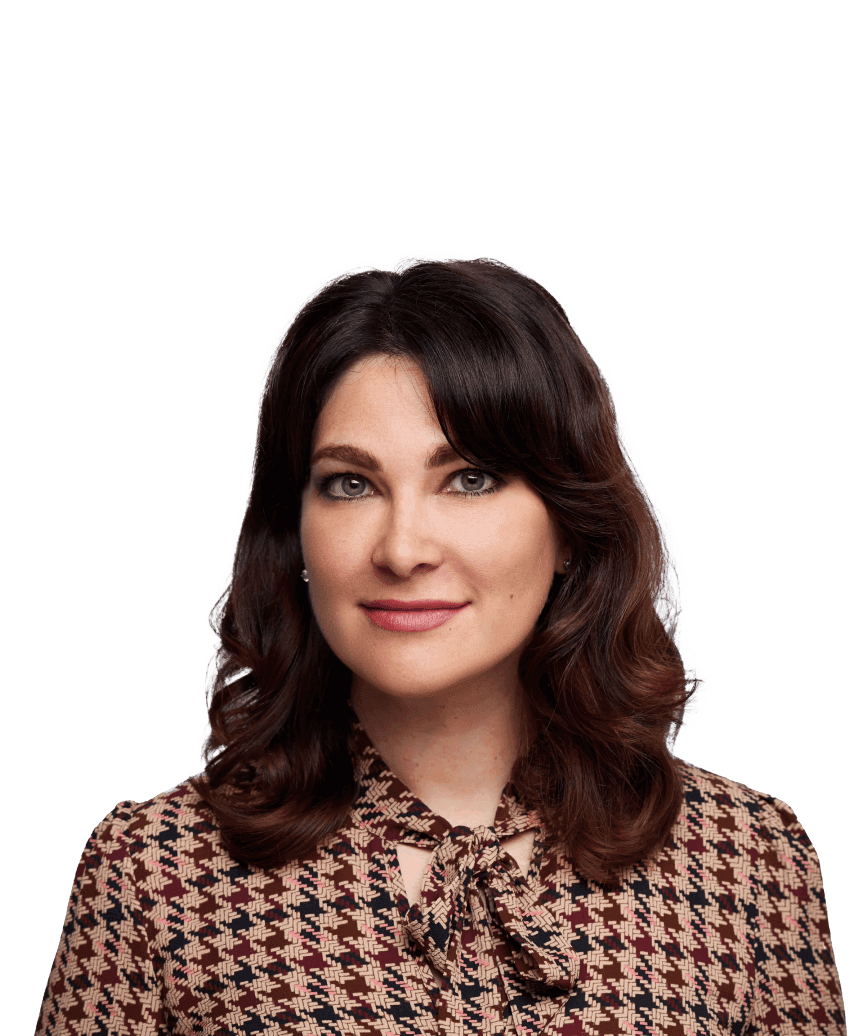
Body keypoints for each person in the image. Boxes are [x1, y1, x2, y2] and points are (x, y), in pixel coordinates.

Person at [36, 253, 846, 1035]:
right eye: (350, 484)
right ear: (296, 534)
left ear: (570, 522)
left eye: (469, 479)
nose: (401, 548)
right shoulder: (153, 877)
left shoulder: (745, 862)